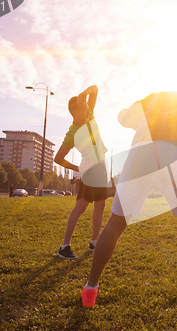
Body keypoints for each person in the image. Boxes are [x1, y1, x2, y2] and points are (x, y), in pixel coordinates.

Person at [81, 90, 177, 315]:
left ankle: (90, 291)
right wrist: (176, 111)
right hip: (172, 154)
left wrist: (147, 108)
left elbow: (122, 117)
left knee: (115, 224)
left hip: (139, 157)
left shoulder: (145, 104)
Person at [54, 85, 108, 259]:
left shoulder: (89, 116)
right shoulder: (72, 133)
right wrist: (77, 168)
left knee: (101, 205)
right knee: (81, 207)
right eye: (84, 110)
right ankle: (65, 247)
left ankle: (95, 242)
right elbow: (58, 158)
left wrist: (83, 94)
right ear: (75, 113)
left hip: (102, 167)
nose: (88, 111)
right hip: (90, 171)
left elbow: (95, 89)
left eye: (87, 109)